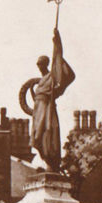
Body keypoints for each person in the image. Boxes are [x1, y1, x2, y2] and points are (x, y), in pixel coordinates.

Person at [25, 28, 75, 171]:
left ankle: (50, 163)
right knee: (37, 137)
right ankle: (47, 160)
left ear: (46, 64)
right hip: (38, 110)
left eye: (41, 64)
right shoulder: (41, 81)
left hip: (46, 109)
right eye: (38, 65)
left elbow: (66, 73)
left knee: (46, 135)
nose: (39, 67)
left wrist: (57, 45)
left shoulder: (52, 76)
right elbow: (37, 97)